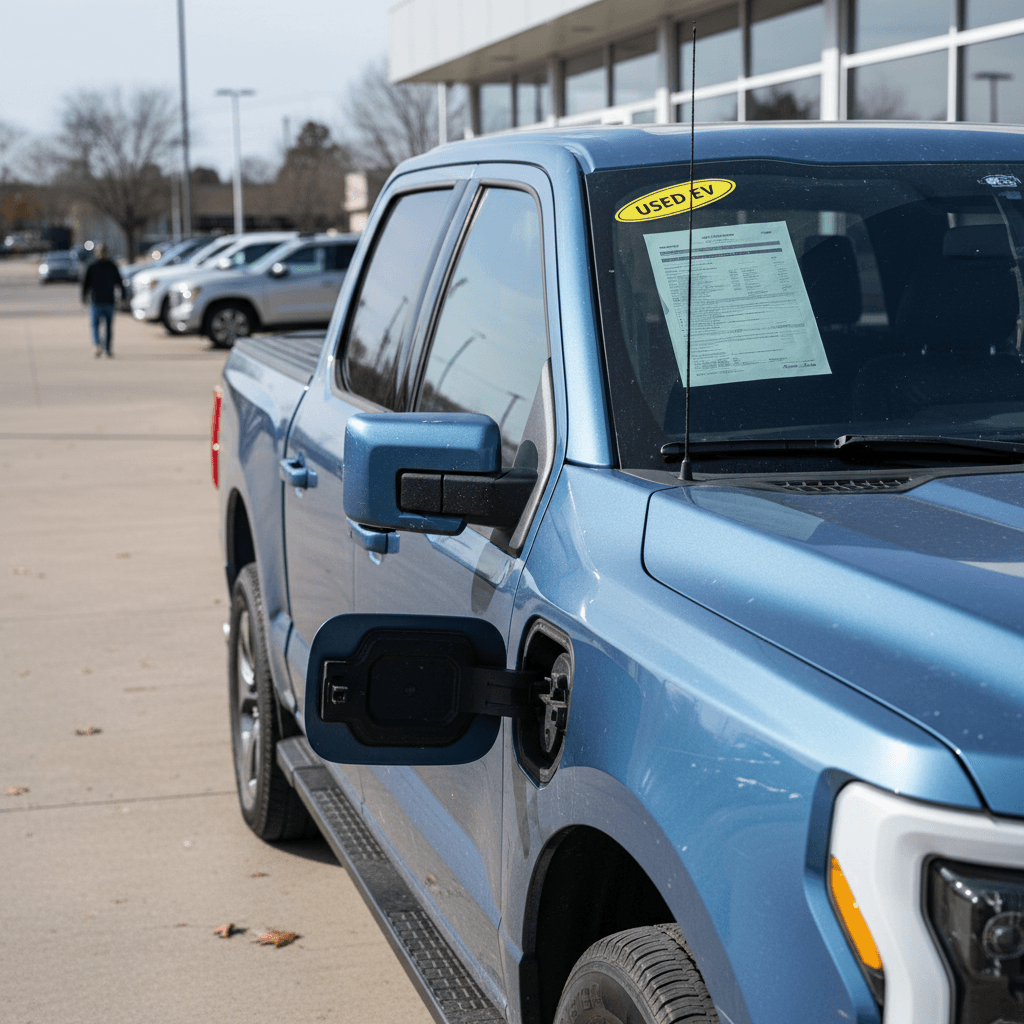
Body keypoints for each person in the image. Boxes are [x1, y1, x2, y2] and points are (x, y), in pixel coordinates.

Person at [80, 244, 124, 358]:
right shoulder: (110, 266)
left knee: (98, 325)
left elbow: (119, 282)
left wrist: (84, 297)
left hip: (103, 301)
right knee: (102, 326)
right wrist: (84, 296)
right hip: (102, 301)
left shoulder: (94, 266)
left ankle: (100, 346)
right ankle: (103, 347)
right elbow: (86, 284)